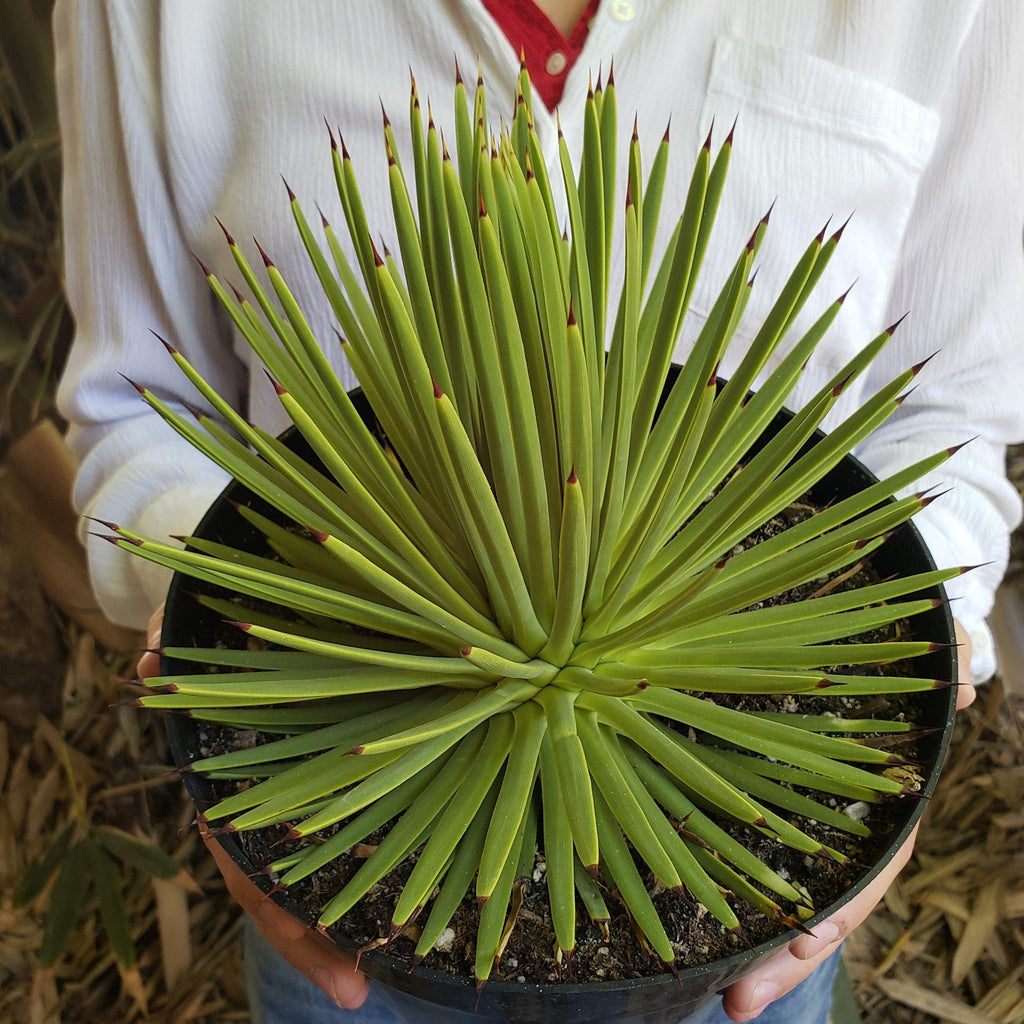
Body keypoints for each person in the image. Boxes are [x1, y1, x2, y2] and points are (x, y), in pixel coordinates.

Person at [53, 1, 1023, 1021]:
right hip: (367, 693)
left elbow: (949, 411)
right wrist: (215, 623)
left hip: (735, 695)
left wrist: (929, 659)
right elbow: (133, 409)